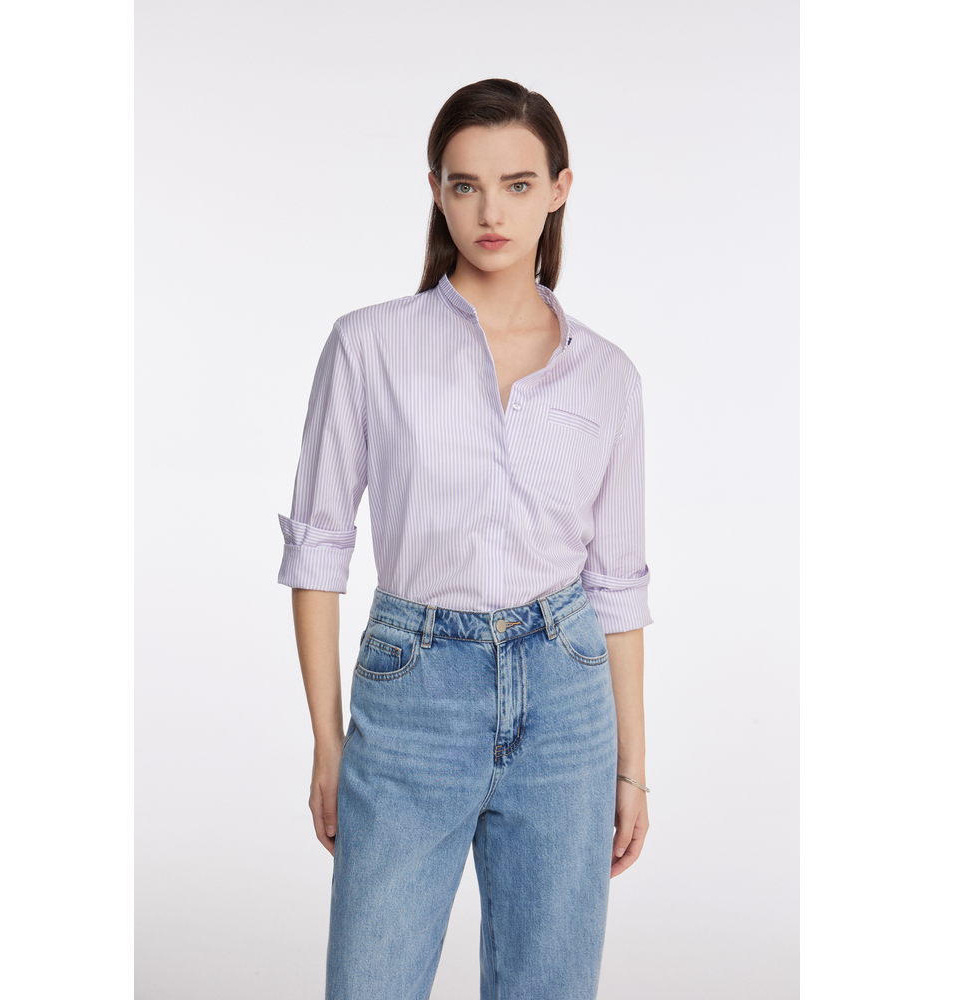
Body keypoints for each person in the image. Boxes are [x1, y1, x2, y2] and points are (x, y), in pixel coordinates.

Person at [277, 78, 652, 1000]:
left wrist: (633, 769)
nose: (492, 212)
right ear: (436, 191)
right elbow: (319, 547)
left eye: (518, 185)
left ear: (559, 189)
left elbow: (618, 584)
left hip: (566, 696)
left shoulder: (607, 375)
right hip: (412, 691)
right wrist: (328, 741)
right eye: (466, 185)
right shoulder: (369, 345)